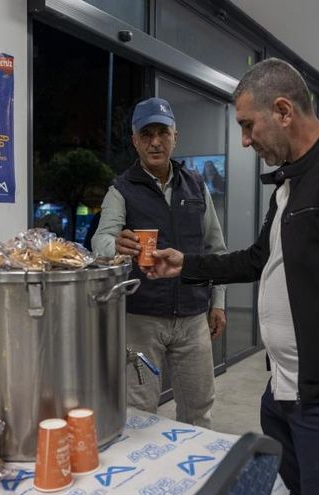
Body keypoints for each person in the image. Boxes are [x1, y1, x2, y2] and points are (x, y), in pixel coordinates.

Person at [143, 58, 319, 495]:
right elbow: (258, 260)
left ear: (283, 111)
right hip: (288, 388)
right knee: (292, 493)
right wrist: (185, 265)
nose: (245, 140)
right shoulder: (289, 184)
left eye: (249, 126)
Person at [91, 97, 228, 428]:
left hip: (194, 316)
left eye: (162, 132)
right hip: (141, 320)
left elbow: (216, 249)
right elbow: (100, 241)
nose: (155, 141)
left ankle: (194, 477)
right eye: (147, 133)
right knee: (138, 409)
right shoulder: (121, 189)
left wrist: (218, 303)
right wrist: (116, 245)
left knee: (199, 407)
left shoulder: (197, 186)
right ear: (135, 140)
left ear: (175, 137)